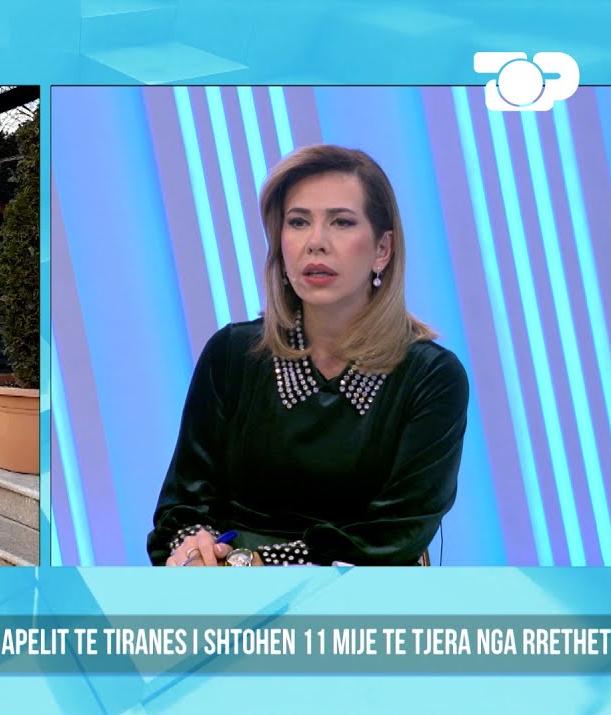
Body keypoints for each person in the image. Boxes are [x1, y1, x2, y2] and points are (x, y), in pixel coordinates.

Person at [149, 144, 469, 567]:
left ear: (382, 249)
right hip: (227, 584)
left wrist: (260, 563)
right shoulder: (232, 354)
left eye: (341, 222)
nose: (316, 243)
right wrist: (193, 547)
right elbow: (182, 506)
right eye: (298, 222)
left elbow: (394, 537)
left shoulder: (432, 376)